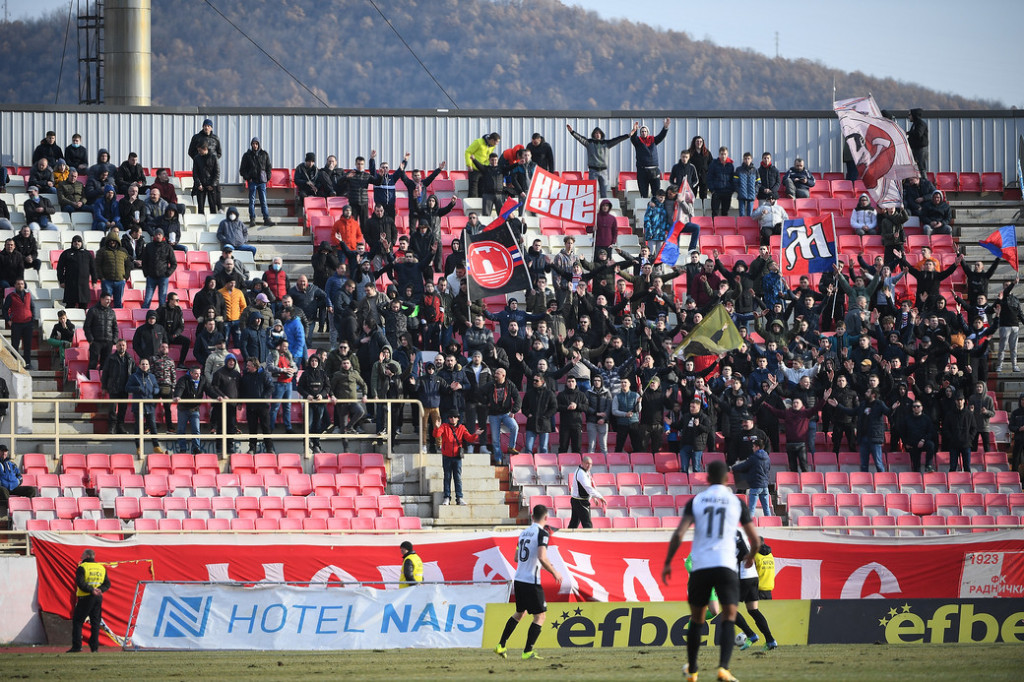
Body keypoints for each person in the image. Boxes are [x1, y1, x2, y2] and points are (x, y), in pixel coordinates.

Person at [662, 460, 760, 682]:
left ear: (707, 478)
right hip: (725, 566)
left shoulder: (696, 501)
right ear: (728, 479)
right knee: (729, 616)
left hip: (701, 567)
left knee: (697, 619)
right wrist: (750, 556)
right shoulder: (736, 503)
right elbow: (754, 539)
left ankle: (693, 670)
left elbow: (679, 534)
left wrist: (668, 562)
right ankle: (723, 668)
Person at [493, 504, 563, 661]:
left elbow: (517, 558)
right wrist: (554, 572)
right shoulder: (542, 533)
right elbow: (541, 556)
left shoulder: (523, 533)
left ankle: (501, 645)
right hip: (531, 581)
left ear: (532, 517)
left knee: (520, 613)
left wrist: (541, 565)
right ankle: (527, 651)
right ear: (546, 518)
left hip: (519, 579)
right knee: (540, 617)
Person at [734, 530, 778, 651]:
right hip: (753, 577)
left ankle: (750, 634)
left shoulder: (731, 532)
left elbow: (744, 551)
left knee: (729, 609)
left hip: (742, 577)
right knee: (753, 610)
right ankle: (770, 640)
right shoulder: (740, 532)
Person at [566, 124, 630, 198]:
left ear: (601, 134)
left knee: (604, 193)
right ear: (593, 134)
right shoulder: (589, 143)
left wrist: (628, 135)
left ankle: (603, 208)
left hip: (604, 172)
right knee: (592, 193)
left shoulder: (606, 143)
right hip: (593, 171)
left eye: (599, 133)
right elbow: (580, 138)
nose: (597, 134)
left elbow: (617, 139)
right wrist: (572, 132)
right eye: (596, 133)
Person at [68, 549, 110, 653]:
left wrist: (91, 590)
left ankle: (77, 646)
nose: (81, 558)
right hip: (98, 598)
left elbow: (80, 583)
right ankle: (94, 648)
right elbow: (107, 584)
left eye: (82, 555)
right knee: (95, 622)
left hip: (86, 597)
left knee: (78, 621)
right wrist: (100, 590)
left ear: (87, 556)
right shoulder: (101, 568)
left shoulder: (82, 567)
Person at [433, 411, 480, 506]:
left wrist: (476, 434)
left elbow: (469, 438)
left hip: (457, 456)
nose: (453, 419)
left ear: (458, 418)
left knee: (457, 477)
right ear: (448, 418)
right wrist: (437, 427)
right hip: (446, 456)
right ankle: (447, 497)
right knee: (447, 477)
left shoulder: (462, 428)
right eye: (451, 417)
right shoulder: (444, 426)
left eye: (455, 417)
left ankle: (459, 497)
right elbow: (436, 435)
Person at [238, 137, 274, 227]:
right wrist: (247, 178)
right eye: (253, 144)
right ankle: (252, 219)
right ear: (251, 144)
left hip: (262, 181)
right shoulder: (247, 155)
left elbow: (268, 167)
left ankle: (266, 218)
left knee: (264, 201)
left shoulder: (264, 154)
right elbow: (242, 169)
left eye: (256, 143)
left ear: (259, 144)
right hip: (252, 181)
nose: (255, 145)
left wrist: (268, 177)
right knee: (252, 201)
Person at [731, 437, 773, 516]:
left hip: (755, 485)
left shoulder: (754, 458)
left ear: (757, 447)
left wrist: (733, 468)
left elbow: (744, 466)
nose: (752, 448)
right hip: (765, 485)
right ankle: (770, 525)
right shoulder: (767, 457)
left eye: (753, 446)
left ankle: (751, 525)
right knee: (766, 508)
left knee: (751, 509)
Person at [102, 339, 135, 435]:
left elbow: (133, 373)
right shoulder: (111, 358)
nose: (122, 347)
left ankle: (120, 427)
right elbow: (105, 373)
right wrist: (104, 386)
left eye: (123, 345)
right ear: (116, 346)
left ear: (126, 346)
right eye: (120, 345)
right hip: (113, 387)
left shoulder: (130, 359)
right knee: (112, 409)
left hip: (125, 388)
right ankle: (112, 427)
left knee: (123, 409)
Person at [629, 119, 670, 198]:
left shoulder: (653, 140)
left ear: (648, 132)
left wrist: (665, 128)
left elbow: (661, 136)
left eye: (645, 131)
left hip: (654, 171)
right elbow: (633, 138)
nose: (643, 133)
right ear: (640, 133)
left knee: (656, 194)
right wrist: (635, 130)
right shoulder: (638, 142)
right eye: (642, 131)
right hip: (642, 171)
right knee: (644, 194)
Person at [173, 366, 209, 455]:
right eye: (196, 373)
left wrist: (217, 396)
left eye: (199, 373)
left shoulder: (202, 379)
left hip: (195, 408)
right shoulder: (183, 379)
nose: (198, 375)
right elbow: (179, 388)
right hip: (183, 408)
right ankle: (182, 449)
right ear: (191, 373)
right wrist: (178, 396)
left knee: (196, 429)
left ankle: (196, 448)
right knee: (181, 429)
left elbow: (209, 389)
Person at [2, 279, 37, 370]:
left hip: (28, 324)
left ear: (24, 285)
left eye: (22, 284)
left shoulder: (28, 295)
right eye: (18, 284)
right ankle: (14, 363)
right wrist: (8, 320)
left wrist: (32, 319)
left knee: (27, 344)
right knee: (15, 344)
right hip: (16, 324)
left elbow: (32, 307)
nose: (20, 285)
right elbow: (5, 309)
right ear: (15, 285)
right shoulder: (11, 296)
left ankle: (27, 364)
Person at [568, 456, 605, 529]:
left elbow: (591, 483)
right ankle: (589, 539)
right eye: (587, 463)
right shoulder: (581, 473)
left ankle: (566, 538)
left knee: (574, 523)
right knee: (587, 524)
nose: (589, 466)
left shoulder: (586, 471)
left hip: (577, 500)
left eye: (590, 464)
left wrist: (594, 497)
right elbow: (588, 488)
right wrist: (600, 496)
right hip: (580, 501)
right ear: (582, 463)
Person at [85, 292, 117, 371]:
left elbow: (115, 327)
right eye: (107, 299)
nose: (108, 301)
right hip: (96, 342)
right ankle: (90, 380)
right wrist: (91, 340)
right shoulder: (93, 310)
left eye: (109, 300)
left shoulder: (112, 312)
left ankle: (103, 381)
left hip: (108, 342)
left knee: (106, 364)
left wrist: (114, 340)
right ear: (101, 299)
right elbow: (87, 326)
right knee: (93, 363)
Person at [465, 132, 501, 198]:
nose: (497, 144)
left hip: (484, 170)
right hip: (475, 170)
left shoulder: (492, 146)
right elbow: (468, 152)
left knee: (483, 191)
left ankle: (482, 207)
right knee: (473, 191)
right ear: (492, 140)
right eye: (496, 142)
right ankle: (471, 207)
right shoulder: (478, 142)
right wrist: (469, 164)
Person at [191, 142, 221, 214]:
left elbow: (217, 172)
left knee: (213, 207)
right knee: (200, 208)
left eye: (200, 150)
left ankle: (213, 223)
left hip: (211, 185)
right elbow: (195, 173)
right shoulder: (197, 158)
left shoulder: (214, 157)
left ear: (205, 149)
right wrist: (198, 184)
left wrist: (212, 184)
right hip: (201, 185)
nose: (199, 152)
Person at [707, 146, 735, 217]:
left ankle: (724, 227)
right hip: (716, 191)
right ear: (719, 154)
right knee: (715, 212)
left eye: (725, 154)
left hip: (727, 192)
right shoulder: (714, 164)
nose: (723, 156)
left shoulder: (730, 165)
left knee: (725, 212)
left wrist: (731, 190)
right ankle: (714, 227)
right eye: (722, 154)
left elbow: (733, 179)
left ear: (727, 154)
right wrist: (712, 190)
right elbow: (709, 177)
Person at [907, 108, 928, 175]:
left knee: (921, 167)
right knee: (915, 167)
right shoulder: (915, 124)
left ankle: (924, 183)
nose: (909, 116)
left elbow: (918, 133)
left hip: (920, 149)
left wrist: (909, 133)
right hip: (915, 148)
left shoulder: (920, 124)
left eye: (910, 115)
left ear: (914, 115)